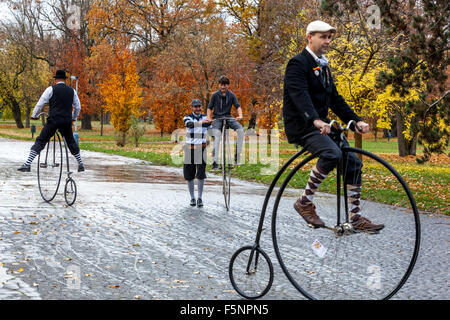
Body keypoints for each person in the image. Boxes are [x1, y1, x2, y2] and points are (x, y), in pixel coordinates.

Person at [283, 20, 384, 231]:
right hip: (303, 126)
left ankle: (355, 217)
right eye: (323, 37)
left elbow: (335, 100)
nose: (327, 41)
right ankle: (304, 202)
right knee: (331, 153)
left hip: (322, 126)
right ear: (310, 37)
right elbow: (300, 96)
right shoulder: (298, 63)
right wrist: (315, 119)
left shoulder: (324, 66)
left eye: (329, 37)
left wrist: (356, 119)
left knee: (353, 164)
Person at [17, 70, 85, 172]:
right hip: (66, 121)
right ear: (65, 79)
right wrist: (73, 117)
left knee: (41, 141)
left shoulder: (51, 89)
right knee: (71, 142)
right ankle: (80, 164)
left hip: (54, 120)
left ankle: (27, 164)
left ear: (56, 79)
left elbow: (40, 103)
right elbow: (77, 107)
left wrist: (34, 115)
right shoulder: (72, 91)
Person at [206, 76, 244, 170]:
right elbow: (209, 108)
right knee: (217, 136)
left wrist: (240, 115)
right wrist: (208, 118)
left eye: (225, 85)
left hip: (228, 117)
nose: (223, 87)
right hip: (217, 118)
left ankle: (236, 157)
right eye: (221, 85)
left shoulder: (231, 95)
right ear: (219, 85)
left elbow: (238, 106)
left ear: (228, 85)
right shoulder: (215, 95)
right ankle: (215, 163)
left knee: (241, 130)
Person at [183, 99, 211, 207]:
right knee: (189, 175)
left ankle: (199, 198)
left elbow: (211, 129)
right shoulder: (188, 117)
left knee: (200, 174)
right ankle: (192, 198)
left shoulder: (206, 117)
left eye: (199, 106)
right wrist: (201, 123)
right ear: (192, 108)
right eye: (195, 107)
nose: (197, 108)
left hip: (201, 148)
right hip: (189, 148)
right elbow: (189, 125)